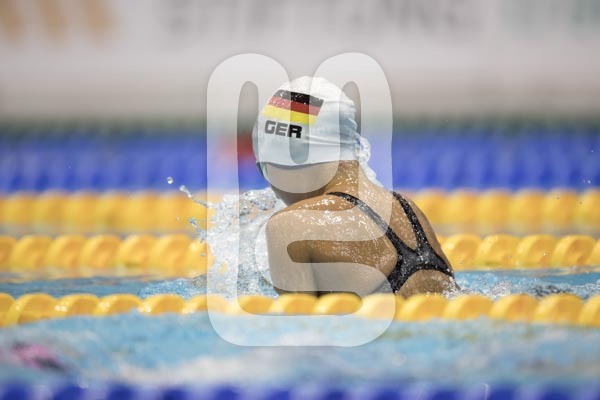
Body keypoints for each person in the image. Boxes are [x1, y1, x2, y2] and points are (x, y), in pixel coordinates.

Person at [253, 76, 457, 297]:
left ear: (290, 156)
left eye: (265, 168)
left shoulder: (290, 225)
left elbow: (295, 317)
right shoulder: (408, 208)